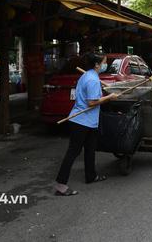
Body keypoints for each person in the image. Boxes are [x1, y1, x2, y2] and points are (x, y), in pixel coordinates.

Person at [55, 51, 120, 196]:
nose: (106, 64)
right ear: (97, 64)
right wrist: (109, 97)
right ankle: (61, 184)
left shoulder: (88, 75)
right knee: (74, 151)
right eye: (104, 62)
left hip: (88, 121)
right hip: (80, 121)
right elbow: (92, 102)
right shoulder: (92, 79)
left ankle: (91, 176)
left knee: (91, 148)